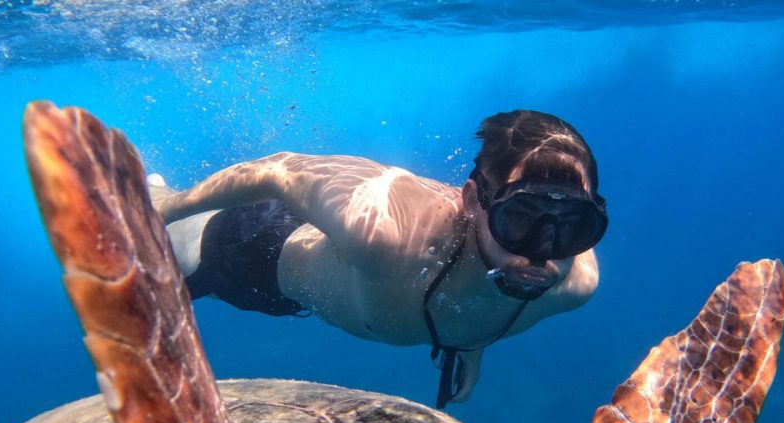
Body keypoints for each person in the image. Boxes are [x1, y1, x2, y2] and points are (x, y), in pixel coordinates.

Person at [154, 110, 607, 407]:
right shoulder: (385, 233)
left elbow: (491, 280)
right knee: (156, 247)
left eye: (574, 227)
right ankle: (152, 187)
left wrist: (472, 338)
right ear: (473, 201)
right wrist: (167, 209)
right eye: (521, 219)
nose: (542, 251)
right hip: (254, 249)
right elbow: (278, 170)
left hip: (313, 295)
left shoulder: (574, 284)